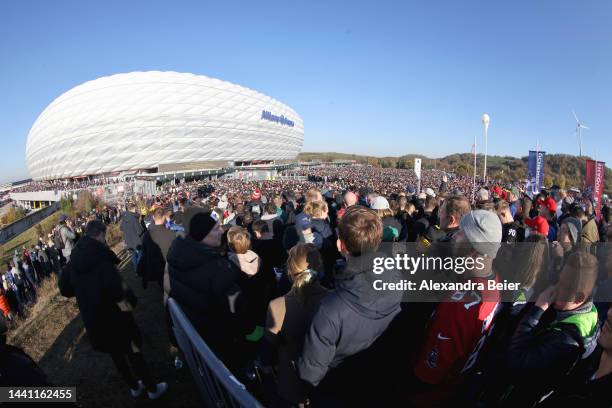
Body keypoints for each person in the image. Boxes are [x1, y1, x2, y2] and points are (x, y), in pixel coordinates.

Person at [60, 220, 167, 399]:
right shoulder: (101, 258)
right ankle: (151, 388)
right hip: (116, 317)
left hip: (94, 318)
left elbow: (65, 288)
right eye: (105, 236)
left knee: (116, 355)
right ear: (100, 235)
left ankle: (134, 386)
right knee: (133, 352)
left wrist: (82, 289)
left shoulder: (75, 258)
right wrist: (130, 306)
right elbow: (118, 291)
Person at [298, 206, 402, 388]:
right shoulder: (398, 278)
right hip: (381, 381)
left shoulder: (330, 310)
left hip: (339, 387)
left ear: (340, 245)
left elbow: (310, 374)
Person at [411, 210, 502, 405]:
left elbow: (427, 376)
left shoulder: (456, 309)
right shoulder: (494, 280)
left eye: (461, 232)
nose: (454, 235)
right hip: (458, 386)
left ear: (475, 249)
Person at [502, 251, 600, 406]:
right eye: (558, 281)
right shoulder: (589, 311)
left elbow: (515, 364)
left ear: (579, 298)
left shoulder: (565, 342)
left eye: (564, 286)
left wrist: (537, 311)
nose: (554, 289)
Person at [165, 211, 242, 365]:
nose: (221, 231)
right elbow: (237, 310)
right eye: (216, 229)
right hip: (214, 335)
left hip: (192, 329)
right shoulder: (217, 268)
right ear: (202, 235)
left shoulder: (177, 255)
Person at [262, 243, 330, 406]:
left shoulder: (277, 305)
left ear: (289, 271)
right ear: (320, 268)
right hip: (325, 380)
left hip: (292, 380)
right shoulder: (334, 300)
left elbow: (269, 346)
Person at [137, 207, 175, 287]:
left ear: (153, 217)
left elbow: (145, 253)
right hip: (170, 266)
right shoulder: (172, 233)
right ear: (164, 217)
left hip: (156, 267)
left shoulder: (147, 235)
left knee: (163, 286)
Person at [120, 202, 145, 272]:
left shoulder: (124, 217)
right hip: (136, 240)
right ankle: (140, 269)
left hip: (128, 240)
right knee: (140, 255)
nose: (136, 209)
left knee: (133, 255)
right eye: (135, 208)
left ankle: (136, 270)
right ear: (133, 208)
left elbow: (121, 228)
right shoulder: (134, 218)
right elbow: (139, 231)